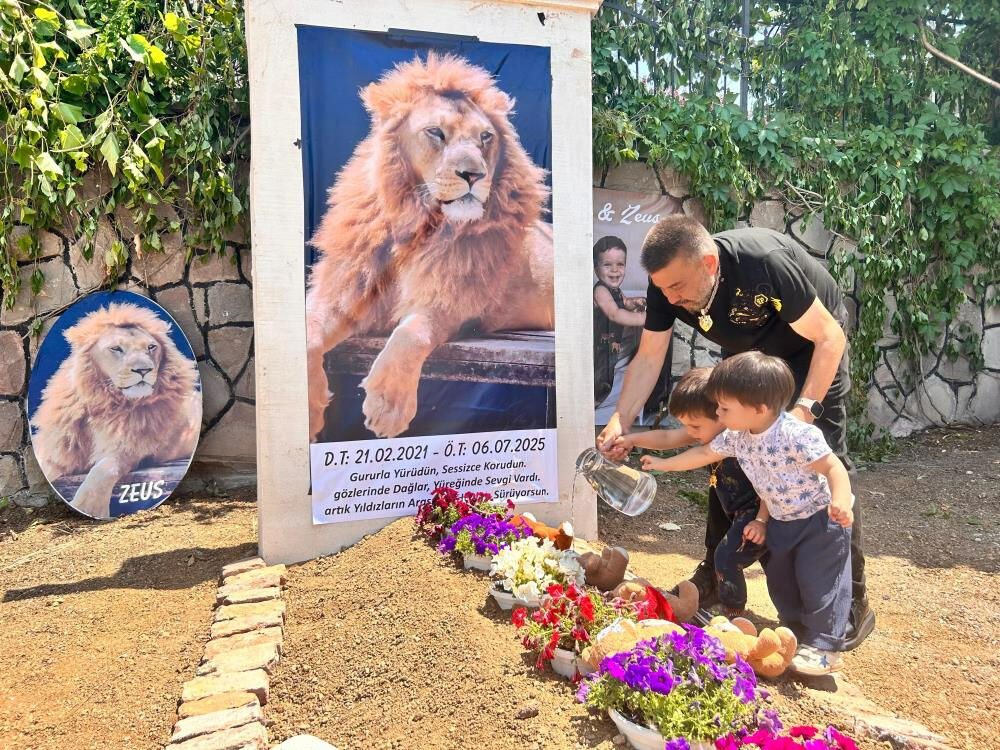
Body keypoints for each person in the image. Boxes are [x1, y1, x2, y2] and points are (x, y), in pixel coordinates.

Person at [596, 215, 875, 650]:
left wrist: (803, 412)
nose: (669, 298)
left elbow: (830, 338)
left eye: (677, 288)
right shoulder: (667, 282)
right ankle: (715, 569)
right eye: (663, 289)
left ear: (709, 263)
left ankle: (851, 598)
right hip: (749, 358)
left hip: (811, 351)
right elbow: (650, 357)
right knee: (725, 452)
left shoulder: (763, 262)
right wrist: (621, 421)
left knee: (821, 468)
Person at [642, 352, 854, 675]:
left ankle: (826, 647)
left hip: (819, 522)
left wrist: (840, 499)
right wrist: (663, 464)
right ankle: (795, 634)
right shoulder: (738, 438)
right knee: (783, 582)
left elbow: (832, 466)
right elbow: (707, 454)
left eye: (725, 407)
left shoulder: (796, 434)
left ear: (759, 408)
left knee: (819, 582)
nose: (718, 412)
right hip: (781, 521)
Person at [618, 367, 766, 616]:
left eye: (695, 426)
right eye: (687, 426)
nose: (691, 433)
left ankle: (735, 613)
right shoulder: (707, 432)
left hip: (756, 513)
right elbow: (667, 437)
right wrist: (632, 440)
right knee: (724, 553)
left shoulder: (735, 438)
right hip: (734, 510)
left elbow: (697, 456)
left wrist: (663, 465)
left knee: (730, 557)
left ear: (721, 414)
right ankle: (724, 598)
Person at [592, 236, 646, 407]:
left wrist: (634, 302)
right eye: (607, 265)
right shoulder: (601, 290)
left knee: (609, 374)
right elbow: (615, 314)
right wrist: (642, 319)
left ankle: (601, 398)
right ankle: (594, 401)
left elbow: (624, 304)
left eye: (620, 264)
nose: (615, 270)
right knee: (599, 375)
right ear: (595, 269)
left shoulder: (616, 290)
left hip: (611, 345)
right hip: (599, 346)